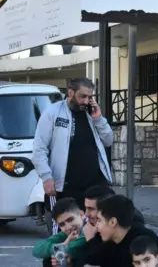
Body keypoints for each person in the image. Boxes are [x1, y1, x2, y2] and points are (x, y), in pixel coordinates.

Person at [32, 77, 113, 233]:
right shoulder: (53, 113)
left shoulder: (92, 115)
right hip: (66, 185)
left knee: (105, 225)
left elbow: (108, 140)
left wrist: (99, 119)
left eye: (90, 97)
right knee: (65, 231)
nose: (86, 101)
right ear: (70, 93)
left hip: (94, 182)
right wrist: (46, 176)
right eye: (83, 96)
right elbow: (39, 148)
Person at [91, 195, 158, 267]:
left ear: (112, 222)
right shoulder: (112, 241)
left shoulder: (143, 240)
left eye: (99, 220)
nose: (96, 226)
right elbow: (90, 259)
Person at [82, 185, 145, 266]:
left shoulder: (134, 238)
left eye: (91, 209)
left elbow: (100, 259)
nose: (86, 214)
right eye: (86, 208)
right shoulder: (104, 229)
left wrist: (90, 240)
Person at [32, 198, 88, 267]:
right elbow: (37, 249)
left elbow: (79, 243)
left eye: (70, 220)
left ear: (82, 215)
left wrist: (63, 248)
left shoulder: (91, 227)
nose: (68, 227)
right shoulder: (65, 234)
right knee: (49, 260)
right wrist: (59, 248)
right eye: (62, 224)